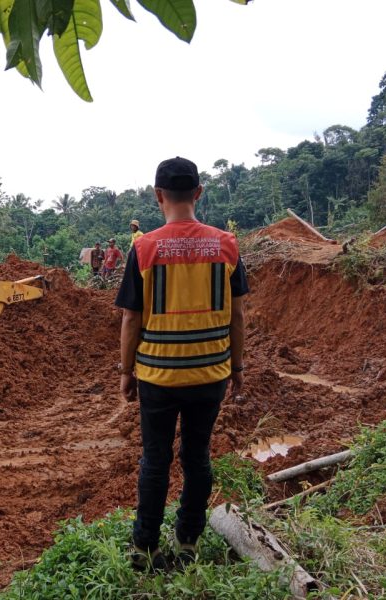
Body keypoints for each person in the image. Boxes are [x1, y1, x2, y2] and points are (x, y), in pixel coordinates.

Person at [115, 156, 249, 572]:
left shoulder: (144, 247)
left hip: (158, 375)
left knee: (155, 459)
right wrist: (238, 368)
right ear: (198, 193)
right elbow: (238, 315)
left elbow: (131, 317)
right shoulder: (226, 245)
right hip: (210, 374)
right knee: (198, 457)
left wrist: (126, 371)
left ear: (158, 197)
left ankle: (145, 548)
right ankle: (188, 541)